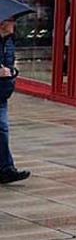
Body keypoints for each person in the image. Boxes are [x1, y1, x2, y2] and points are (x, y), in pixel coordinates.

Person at [0, 19, 29, 183]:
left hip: (3, 93)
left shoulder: (9, 41)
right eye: (11, 21)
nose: (14, 24)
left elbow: (11, 64)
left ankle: (6, 169)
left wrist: (11, 72)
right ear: (2, 23)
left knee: (3, 130)